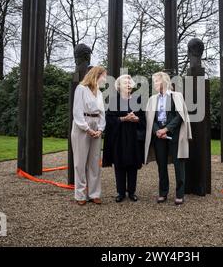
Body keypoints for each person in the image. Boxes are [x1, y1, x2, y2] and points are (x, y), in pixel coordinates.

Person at [144, 72, 192, 206]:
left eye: (155, 81)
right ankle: (163, 193)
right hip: (159, 136)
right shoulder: (152, 99)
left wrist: (166, 129)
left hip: (175, 135)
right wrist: (158, 131)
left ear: (163, 82)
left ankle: (179, 194)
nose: (153, 84)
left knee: (179, 165)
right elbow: (150, 118)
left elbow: (179, 116)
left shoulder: (176, 96)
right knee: (162, 165)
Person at [103, 75, 146, 203]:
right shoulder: (113, 101)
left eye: (129, 83)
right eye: (125, 83)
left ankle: (132, 192)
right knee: (119, 163)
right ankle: (121, 192)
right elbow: (109, 119)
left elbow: (144, 118)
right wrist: (123, 119)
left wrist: (136, 119)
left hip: (134, 137)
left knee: (133, 164)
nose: (128, 85)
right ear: (118, 86)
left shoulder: (138, 100)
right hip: (119, 137)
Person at [71, 66, 107, 206]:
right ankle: (80, 194)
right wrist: (86, 128)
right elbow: (77, 111)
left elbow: (102, 113)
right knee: (80, 163)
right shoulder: (81, 89)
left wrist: (100, 129)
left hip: (96, 125)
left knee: (95, 162)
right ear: (97, 75)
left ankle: (94, 194)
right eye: (104, 75)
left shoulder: (100, 93)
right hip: (82, 125)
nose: (105, 78)